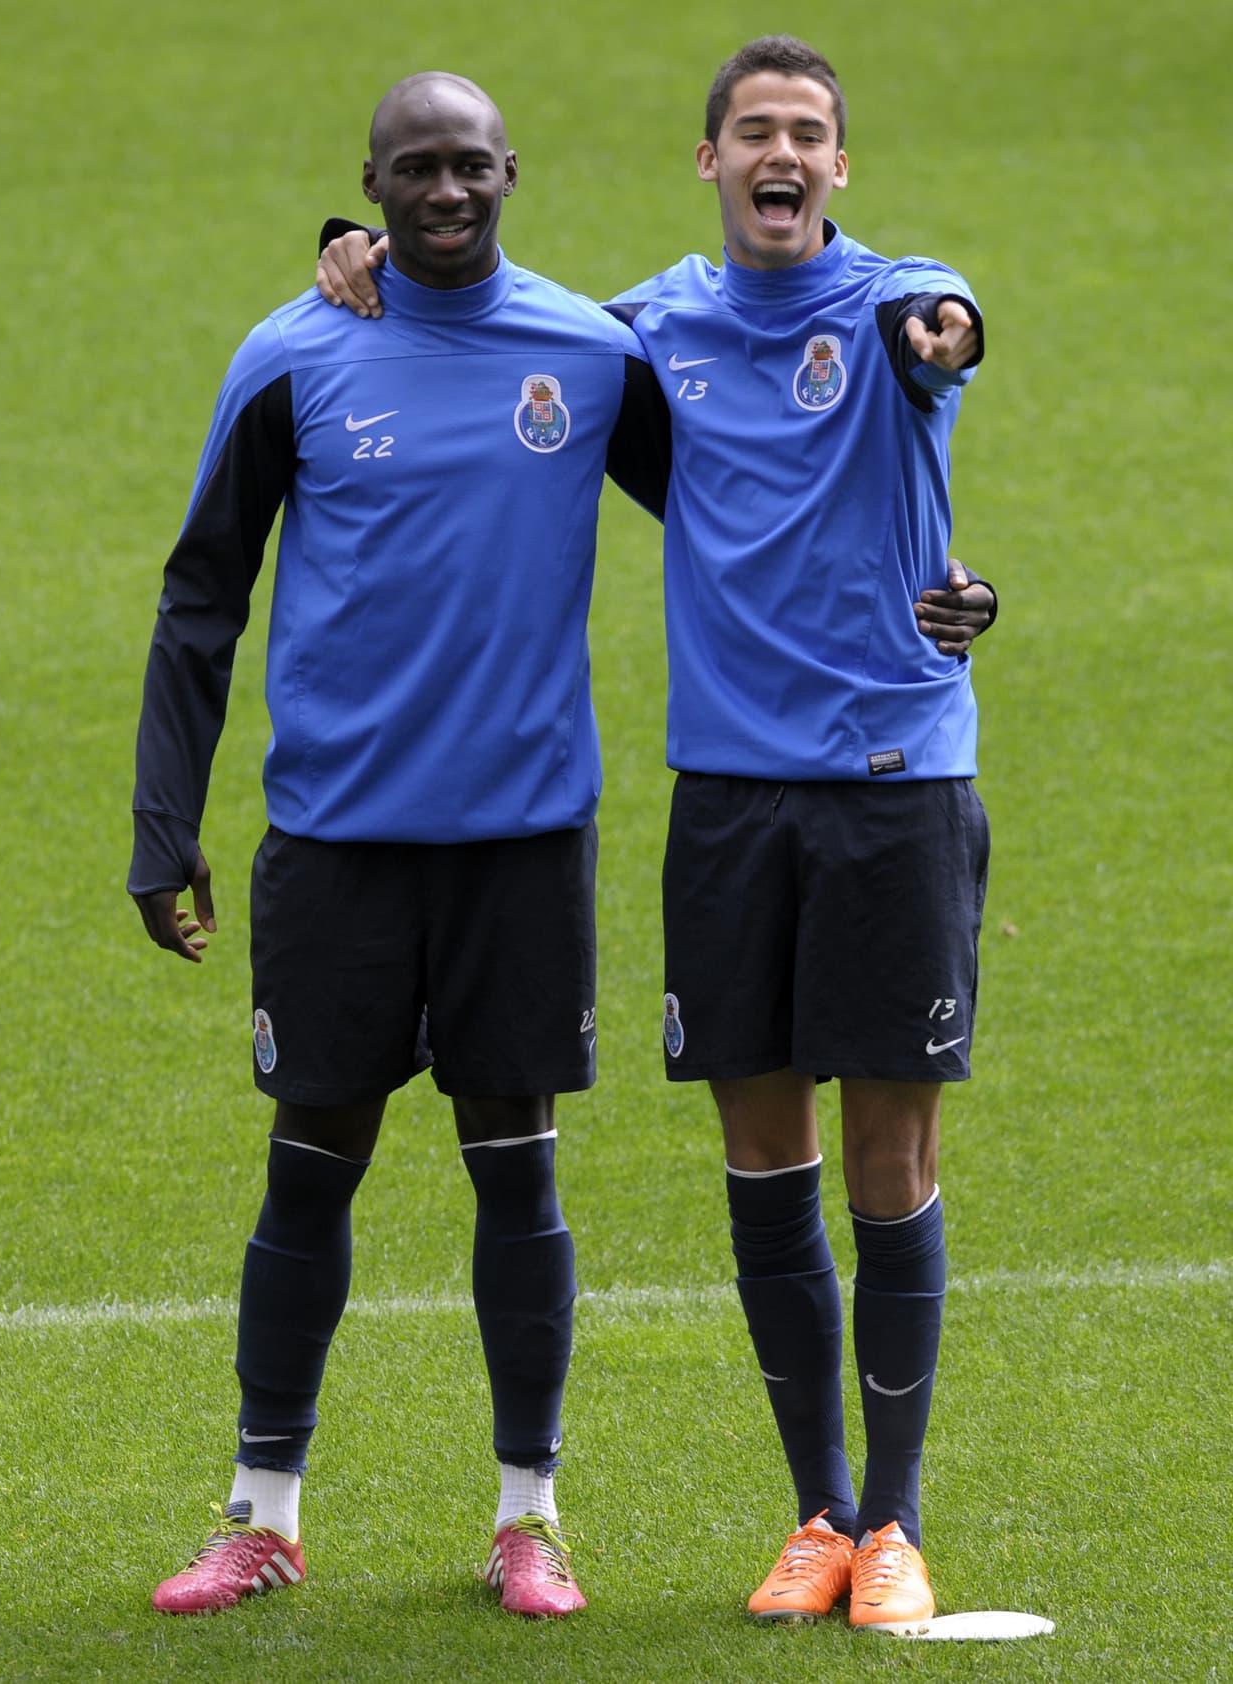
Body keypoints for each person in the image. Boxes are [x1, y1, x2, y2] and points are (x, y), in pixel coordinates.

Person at [317, 36, 993, 1636]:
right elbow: (492, 314)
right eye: (754, 131)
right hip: (728, 793)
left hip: (893, 783)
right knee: (764, 1158)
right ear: (710, 162)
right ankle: (819, 1516)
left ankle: (897, 1523)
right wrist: (347, 249)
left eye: (808, 134)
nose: (782, 154)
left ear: (839, 167)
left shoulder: (892, 303)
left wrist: (946, 328)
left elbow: (945, 322)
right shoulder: (648, 330)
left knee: (891, 1158)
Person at [129, 70, 669, 1620]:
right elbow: (203, 591)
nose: (445, 192)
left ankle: (528, 1520)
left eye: (470, 167)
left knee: (519, 1176)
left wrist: (924, 584)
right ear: (369, 186)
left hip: (520, 844)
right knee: (309, 1172)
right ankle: (261, 1515)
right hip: (338, 845)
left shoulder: (590, 350)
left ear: (513, 173)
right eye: (416, 169)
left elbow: (741, 505)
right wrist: (164, 822)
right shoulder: (294, 354)